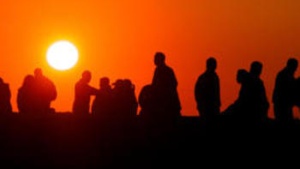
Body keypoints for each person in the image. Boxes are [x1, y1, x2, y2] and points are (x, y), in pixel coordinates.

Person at [151, 52, 181, 122]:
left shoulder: (167, 70)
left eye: (156, 59)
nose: (154, 60)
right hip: (161, 102)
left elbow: (174, 84)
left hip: (168, 102)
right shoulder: (157, 70)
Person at [194, 57, 221, 122]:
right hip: (206, 106)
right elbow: (197, 92)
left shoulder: (214, 77)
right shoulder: (204, 78)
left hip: (213, 106)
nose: (215, 66)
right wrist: (200, 103)